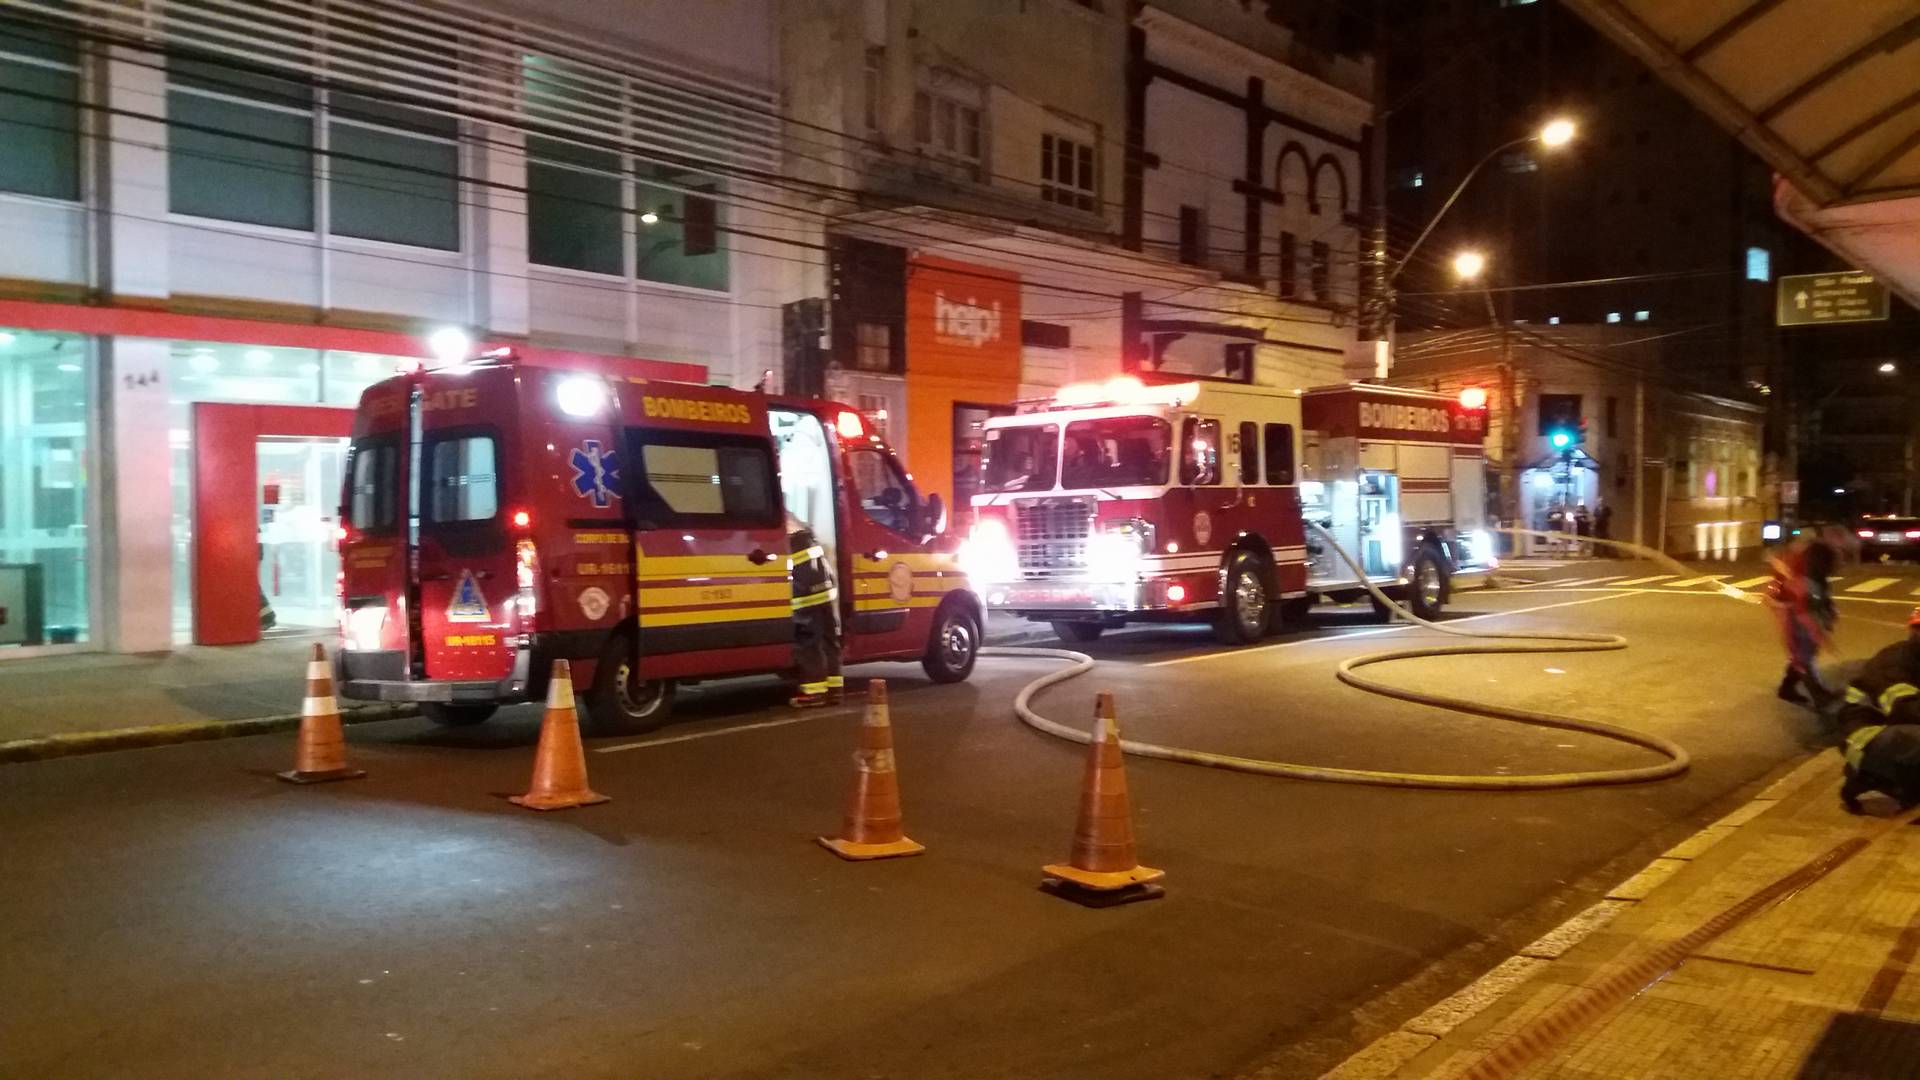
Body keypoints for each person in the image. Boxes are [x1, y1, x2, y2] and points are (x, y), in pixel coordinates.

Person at [1767, 530, 1841, 707]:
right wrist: (1821, 635)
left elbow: (1819, 597)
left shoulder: (1811, 573)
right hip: (1797, 618)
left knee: (1801, 655)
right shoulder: (1804, 580)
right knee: (1804, 658)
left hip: (1800, 615)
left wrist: (1828, 611)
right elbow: (1804, 612)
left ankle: (1787, 688)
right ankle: (1820, 696)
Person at [786, 512, 842, 709]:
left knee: (808, 642)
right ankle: (834, 690)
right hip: (824, 591)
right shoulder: (800, 527)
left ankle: (814, 693)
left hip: (805, 593)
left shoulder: (785, 530)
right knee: (828, 639)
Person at [1839, 606, 1920, 729]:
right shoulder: (1893, 662)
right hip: (1866, 727)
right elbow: (1905, 711)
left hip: (1896, 724)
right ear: (1915, 632)